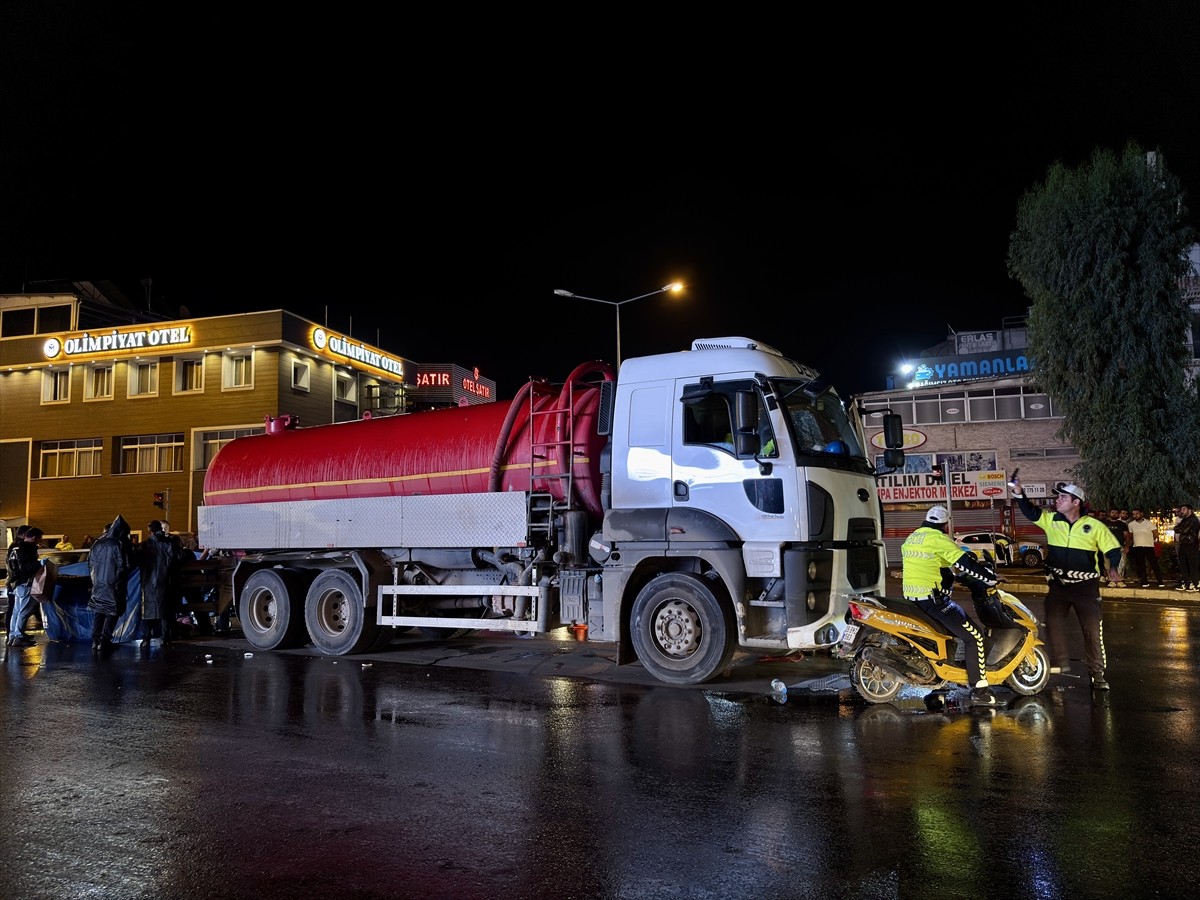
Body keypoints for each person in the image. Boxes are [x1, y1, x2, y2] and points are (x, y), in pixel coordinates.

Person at [1011, 479, 1119, 690]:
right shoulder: (1051, 520)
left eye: (1062, 497)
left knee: (1092, 630)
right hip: (1058, 586)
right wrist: (1018, 493)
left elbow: (1113, 549)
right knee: (1052, 621)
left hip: (1086, 588)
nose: (1057, 500)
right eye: (1057, 497)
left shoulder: (1094, 526)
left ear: (1076, 502)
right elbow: (1031, 512)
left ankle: (1097, 673)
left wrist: (1113, 567)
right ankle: (1061, 662)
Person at [900, 505, 1003, 707]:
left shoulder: (913, 537)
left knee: (947, 637)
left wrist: (954, 577)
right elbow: (965, 563)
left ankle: (942, 683)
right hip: (934, 602)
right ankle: (980, 691)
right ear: (945, 525)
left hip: (913, 599)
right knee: (974, 637)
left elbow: (934, 566)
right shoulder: (938, 539)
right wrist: (990, 578)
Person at [137, 520, 190, 647]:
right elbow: (180, 557)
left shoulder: (145, 545)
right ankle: (166, 637)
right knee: (165, 612)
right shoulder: (169, 543)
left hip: (149, 582)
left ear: (150, 530)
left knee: (148, 611)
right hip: (166, 581)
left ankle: (146, 638)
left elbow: (136, 559)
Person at [87, 515, 134, 653]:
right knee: (112, 612)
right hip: (115, 584)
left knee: (99, 612)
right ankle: (105, 640)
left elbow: (89, 563)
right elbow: (127, 564)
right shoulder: (120, 544)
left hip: (98, 584)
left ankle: (95, 640)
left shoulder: (97, 543)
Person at [5, 526, 43, 647]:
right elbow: (27, 567)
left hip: (16, 583)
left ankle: (12, 635)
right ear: (33, 537)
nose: (39, 542)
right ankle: (19, 636)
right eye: (38, 539)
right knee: (25, 610)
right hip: (25, 582)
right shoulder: (27, 549)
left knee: (16, 610)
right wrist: (39, 564)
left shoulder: (15, 548)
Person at [1127, 507, 1165, 588]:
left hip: (1149, 546)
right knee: (1141, 565)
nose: (1135, 515)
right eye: (1134, 514)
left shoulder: (1149, 523)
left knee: (1154, 564)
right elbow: (1130, 536)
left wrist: (1154, 541)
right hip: (1137, 546)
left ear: (1141, 514)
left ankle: (1160, 581)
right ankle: (1144, 581)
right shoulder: (1131, 525)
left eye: (1137, 513)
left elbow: (1156, 534)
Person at [1174, 503, 1200, 592]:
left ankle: (1195, 584)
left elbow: (1184, 530)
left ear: (1189, 510)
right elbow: (1176, 529)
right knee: (1183, 564)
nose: (1182, 511)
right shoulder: (1184, 519)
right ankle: (1186, 583)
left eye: (1184, 509)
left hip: (1191, 544)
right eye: (1181, 509)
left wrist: (1180, 528)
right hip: (1183, 544)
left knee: (1193, 565)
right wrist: (1180, 528)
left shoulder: (1194, 519)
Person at [1103, 508, 1130, 587]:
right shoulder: (1104, 523)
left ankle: (1119, 581)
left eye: (1116, 513)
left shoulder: (1122, 524)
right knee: (1108, 564)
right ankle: (1111, 581)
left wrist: (1127, 546)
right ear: (1109, 513)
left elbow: (1127, 536)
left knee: (1120, 564)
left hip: (1119, 547)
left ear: (1118, 515)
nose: (1114, 514)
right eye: (1112, 512)